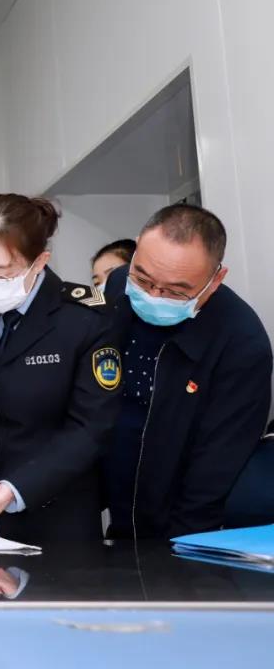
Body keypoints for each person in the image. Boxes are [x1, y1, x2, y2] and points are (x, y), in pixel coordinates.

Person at [0, 193, 122, 545]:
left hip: (56, 518)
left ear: (39, 261)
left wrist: (17, 489)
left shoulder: (84, 319)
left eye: (1, 273)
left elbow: (90, 427)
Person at [102, 204, 272, 540]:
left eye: (175, 291)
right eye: (143, 279)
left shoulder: (242, 343)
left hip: (178, 518)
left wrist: (183, 550)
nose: (153, 295)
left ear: (215, 279)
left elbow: (216, 467)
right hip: (114, 501)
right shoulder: (119, 285)